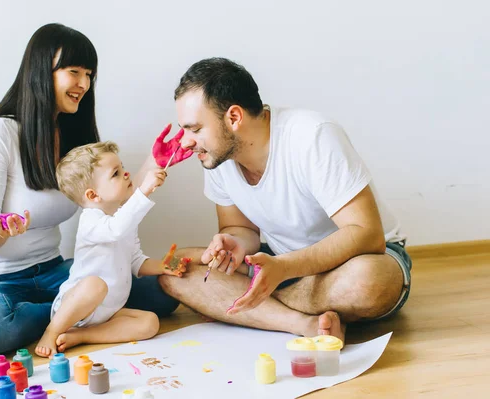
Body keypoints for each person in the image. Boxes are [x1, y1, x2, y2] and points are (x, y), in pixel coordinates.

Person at [0, 23, 190, 354]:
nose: (84, 83)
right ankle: (69, 316)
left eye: (89, 74)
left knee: (162, 291)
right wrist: (2, 231)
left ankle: (72, 315)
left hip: (56, 272)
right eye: (74, 71)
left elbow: (113, 200)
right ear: (41, 71)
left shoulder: (75, 139)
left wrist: (157, 161)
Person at [159, 58, 412, 342]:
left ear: (233, 118)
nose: (185, 142)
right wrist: (235, 244)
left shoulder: (312, 135)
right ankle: (302, 323)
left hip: (357, 259)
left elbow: (367, 235)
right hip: (280, 263)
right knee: (175, 267)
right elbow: (240, 230)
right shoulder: (218, 156)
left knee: (368, 282)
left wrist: (284, 269)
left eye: (195, 129)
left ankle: (259, 304)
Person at [34, 142, 189, 357]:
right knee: (95, 285)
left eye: (122, 168)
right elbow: (115, 230)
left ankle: (82, 335)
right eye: (116, 173)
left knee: (150, 323)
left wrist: (163, 266)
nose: (126, 174)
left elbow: (136, 260)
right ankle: (52, 331)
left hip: (108, 311)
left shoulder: (122, 219)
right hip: (76, 308)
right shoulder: (91, 221)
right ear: (93, 196)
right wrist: (143, 191)